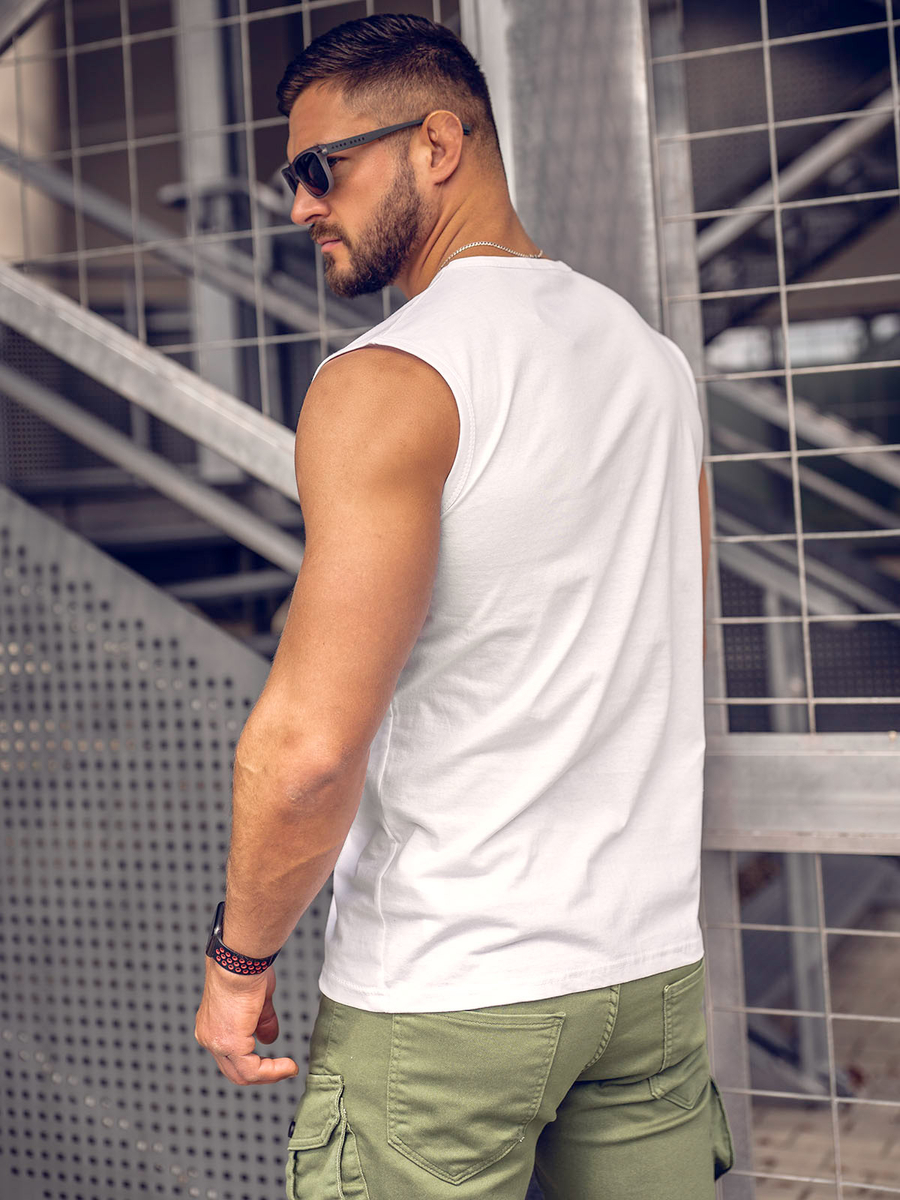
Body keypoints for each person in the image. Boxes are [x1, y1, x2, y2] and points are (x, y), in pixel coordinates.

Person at [194, 12, 733, 1199]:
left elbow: (307, 748)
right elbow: (667, 638)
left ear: (437, 144)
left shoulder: (387, 378)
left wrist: (240, 960)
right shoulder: (652, 365)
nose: (301, 205)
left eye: (321, 168)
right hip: (645, 977)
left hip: (451, 993)